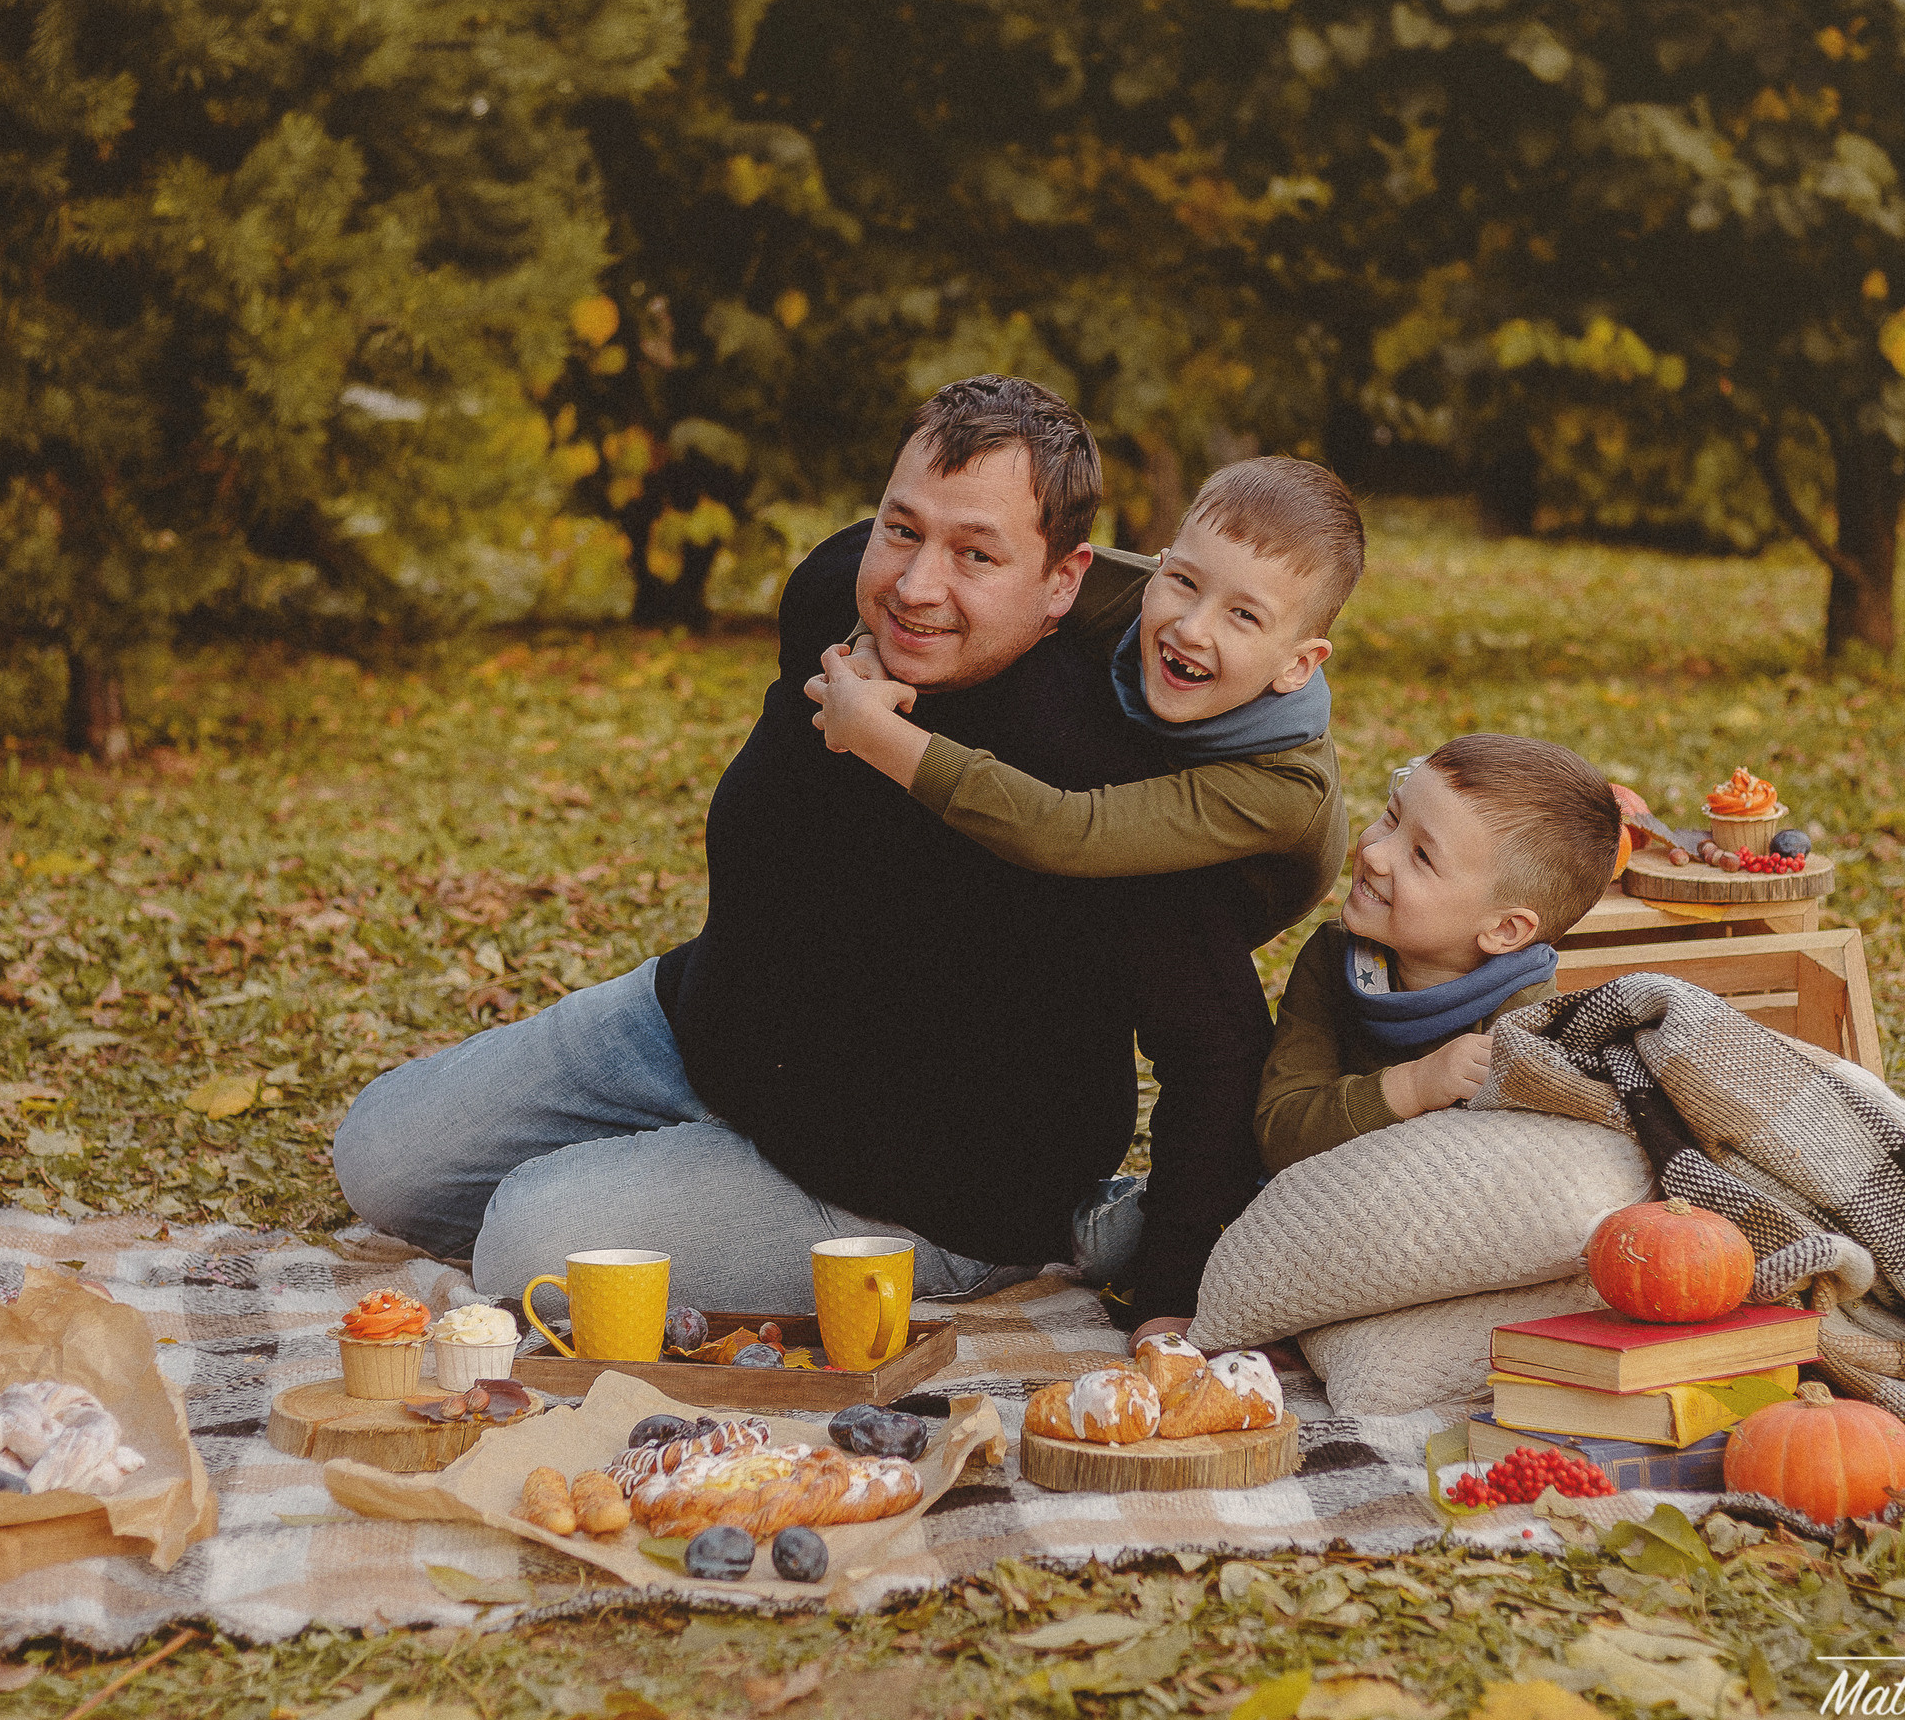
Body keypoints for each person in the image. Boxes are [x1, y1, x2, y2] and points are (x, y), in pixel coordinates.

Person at [330, 376, 1269, 1342]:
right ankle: (687, 1162)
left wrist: (1170, 1295)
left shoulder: (1102, 769)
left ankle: (1053, 1233)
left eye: (976, 554)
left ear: (1064, 581)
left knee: (528, 1241)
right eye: (902, 529)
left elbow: (1220, 1040)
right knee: (382, 1157)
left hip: (929, 1181)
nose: (915, 587)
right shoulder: (835, 597)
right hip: (711, 1032)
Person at [806, 456, 1363, 945]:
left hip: (1210, 898)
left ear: (1298, 665)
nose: (1192, 627)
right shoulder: (1139, 592)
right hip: (1104, 809)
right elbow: (926, 584)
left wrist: (874, 732)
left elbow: (1070, 832)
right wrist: (867, 654)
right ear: (1161, 564)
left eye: (1243, 615)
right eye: (1185, 581)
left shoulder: (1287, 787)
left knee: (1162, 923)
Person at [1253, 734, 1622, 1174]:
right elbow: (1279, 1135)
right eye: (1392, 817)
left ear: (1504, 929)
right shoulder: (1335, 960)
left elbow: (1521, 1177)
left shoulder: (1525, 1027)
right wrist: (1414, 1085)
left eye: (1422, 856)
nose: (1373, 852)